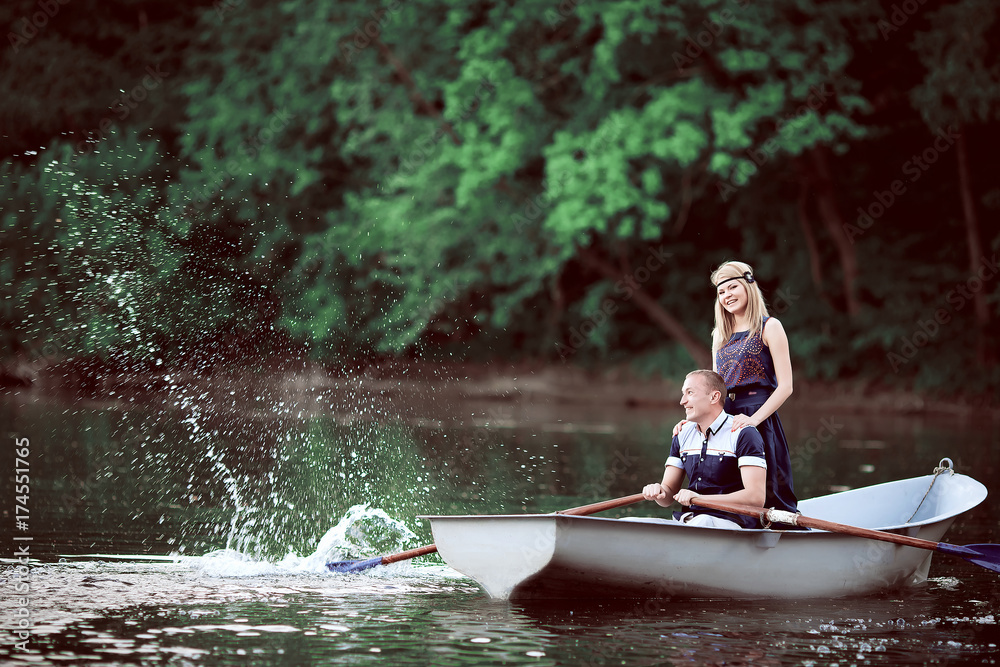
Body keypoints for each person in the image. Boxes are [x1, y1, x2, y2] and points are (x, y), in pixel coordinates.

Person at [673, 260, 799, 519]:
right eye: (721, 292)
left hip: (757, 414)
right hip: (725, 415)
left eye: (732, 287)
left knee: (767, 491)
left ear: (748, 287)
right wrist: (693, 422)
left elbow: (786, 387)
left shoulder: (770, 327)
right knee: (727, 481)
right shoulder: (720, 334)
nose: (727, 295)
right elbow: (712, 389)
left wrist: (752, 421)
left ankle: (776, 535)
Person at [642, 370, 766, 529]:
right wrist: (658, 491)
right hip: (692, 521)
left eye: (690, 393)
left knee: (703, 522)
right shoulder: (682, 434)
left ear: (714, 397)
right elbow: (667, 496)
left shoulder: (744, 433)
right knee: (630, 523)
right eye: (683, 394)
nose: (682, 401)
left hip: (733, 522)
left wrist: (701, 498)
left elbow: (756, 497)